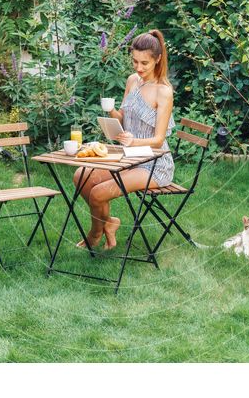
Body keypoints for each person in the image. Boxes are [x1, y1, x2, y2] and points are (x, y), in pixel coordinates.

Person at [72, 29, 175, 250]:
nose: (138, 68)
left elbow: (158, 140)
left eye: (144, 63)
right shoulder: (132, 81)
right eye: (135, 62)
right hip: (129, 157)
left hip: (154, 163)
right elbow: (124, 117)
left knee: (99, 194)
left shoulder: (164, 92)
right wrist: (111, 114)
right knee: (81, 176)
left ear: (157, 59)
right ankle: (109, 223)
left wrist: (133, 141)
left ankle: (94, 234)